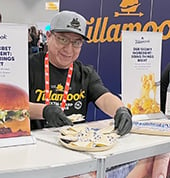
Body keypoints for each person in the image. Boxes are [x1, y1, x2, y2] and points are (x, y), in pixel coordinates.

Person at [29, 10, 132, 137]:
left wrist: (120, 110)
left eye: (76, 43)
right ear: (49, 36)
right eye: (63, 39)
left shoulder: (85, 73)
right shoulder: (28, 66)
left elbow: (104, 97)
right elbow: (12, 107)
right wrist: (44, 111)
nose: (68, 49)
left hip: (75, 145)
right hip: (34, 144)